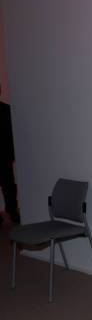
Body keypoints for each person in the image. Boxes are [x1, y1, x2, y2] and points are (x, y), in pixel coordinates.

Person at [0, 84, 19, 226]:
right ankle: (12, 211)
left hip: (4, 154)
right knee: (9, 185)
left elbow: (11, 133)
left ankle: (12, 211)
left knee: (9, 186)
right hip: (5, 154)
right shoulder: (6, 110)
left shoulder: (6, 110)